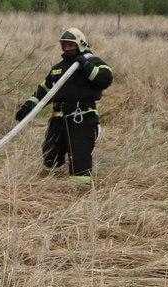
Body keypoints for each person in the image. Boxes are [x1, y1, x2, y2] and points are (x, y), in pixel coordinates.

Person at [15, 27, 114, 186]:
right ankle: (51, 186)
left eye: (71, 44)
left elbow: (105, 78)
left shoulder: (92, 61)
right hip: (58, 119)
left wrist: (85, 65)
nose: (67, 48)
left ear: (80, 44)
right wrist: (28, 107)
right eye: (64, 44)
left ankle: (80, 191)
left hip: (82, 117)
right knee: (50, 155)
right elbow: (44, 91)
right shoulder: (57, 69)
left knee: (80, 155)